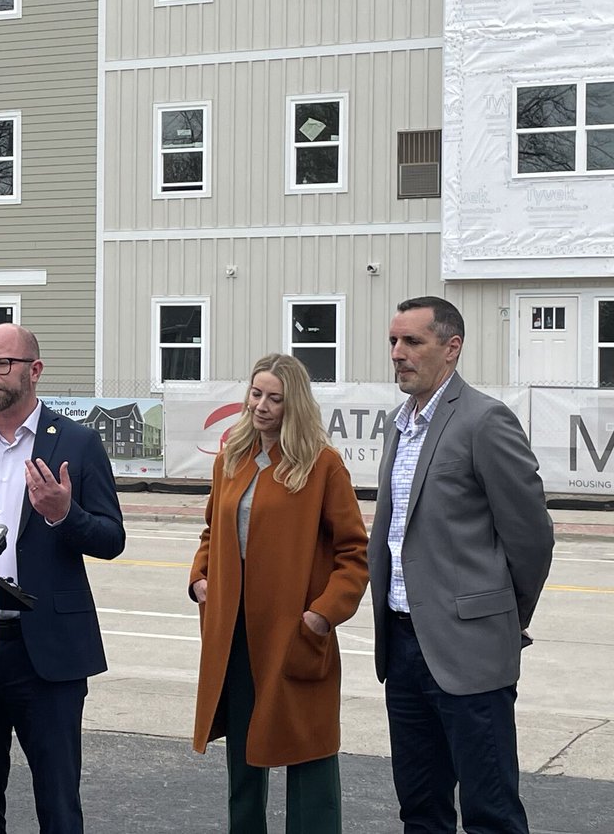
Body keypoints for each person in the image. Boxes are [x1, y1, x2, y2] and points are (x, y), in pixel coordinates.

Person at [0, 323, 126, 834]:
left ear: (34, 370)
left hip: (47, 652)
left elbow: (111, 538)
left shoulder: (77, 442)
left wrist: (62, 514)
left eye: (1, 364)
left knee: (57, 801)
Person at [369, 296, 555, 834]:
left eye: (412, 342)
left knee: (490, 813)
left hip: (470, 650)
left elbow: (531, 537)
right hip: (403, 647)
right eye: (393, 342)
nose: (398, 354)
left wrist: (501, 617)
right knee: (421, 812)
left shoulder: (484, 420)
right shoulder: (399, 424)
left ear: (451, 349)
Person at [188, 353, 368, 833]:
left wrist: (321, 616)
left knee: (309, 757)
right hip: (235, 635)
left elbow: (354, 553)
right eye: (256, 394)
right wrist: (201, 580)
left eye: (275, 398)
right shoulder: (231, 458)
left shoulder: (322, 465)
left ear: (296, 404)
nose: (262, 406)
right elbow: (212, 530)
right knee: (244, 763)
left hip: (294, 634)